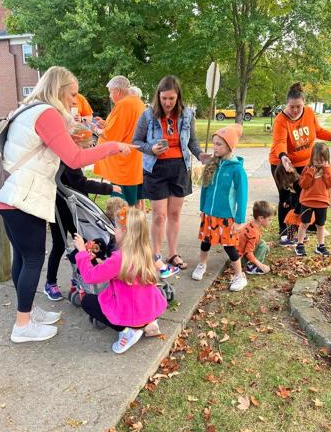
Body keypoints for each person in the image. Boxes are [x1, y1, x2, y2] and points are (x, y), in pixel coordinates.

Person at [0, 66, 133, 343]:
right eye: (72, 94)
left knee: (22, 256)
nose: (74, 101)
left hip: (9, 194)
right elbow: (75, 159)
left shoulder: (29, 110)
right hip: (23, 197)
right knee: (32, 258)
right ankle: (23, 325)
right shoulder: (46, 113)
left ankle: (27, 312)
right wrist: (113, 146)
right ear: (58, 90)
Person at [133, 75, 211, 273]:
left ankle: (172, 253)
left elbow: (192, 141)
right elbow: (136, 142)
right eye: (164, 98)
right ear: (158, 96)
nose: (167, 103)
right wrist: (151, 149)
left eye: (171, 99)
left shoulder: (187, 115)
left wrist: (200, 154)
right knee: (159, 215)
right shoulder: (148, 115)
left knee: (175, 214)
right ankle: (156, 255)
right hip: (156, 169)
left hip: (179, 168)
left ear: (178, 98)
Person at [73, 207, 167, 354]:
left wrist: (82, 253)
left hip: (130, 314)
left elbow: (90, 276)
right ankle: (148, 323)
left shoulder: (119, 258)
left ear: (124, 231)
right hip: (150, 308)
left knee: (87, 302)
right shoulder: (146, 250)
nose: (114, 231)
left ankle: (128, 331)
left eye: (116, 227)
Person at [269, 82, 331, 245]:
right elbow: (280, 142)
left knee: (305, 197)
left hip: (304, 163)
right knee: (288, 198)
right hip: (283, 164)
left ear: (303, 103)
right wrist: (284, 157)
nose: (295, 110)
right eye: (292, 107)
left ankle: (309, 226)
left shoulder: (309, 113)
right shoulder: (280, 120)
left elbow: (318, 131)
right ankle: (286, 232)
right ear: (287, 104)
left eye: (298, 106)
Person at [44, 138, 122, 300]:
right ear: (76, 142)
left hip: (72, 209)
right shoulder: (68, 160)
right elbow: (81, 184)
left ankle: (78, 278)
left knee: (83, 244)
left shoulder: (66, 158)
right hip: (60, 209)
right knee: (60, 245)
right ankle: (51, 282)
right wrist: (109, 188)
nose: (87, 150)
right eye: (86, 147)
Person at [191, 125, 248, 292]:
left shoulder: (237, 170)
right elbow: (205, 188)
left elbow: (242, 196)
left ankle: (239, 276)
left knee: (229, 247)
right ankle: (202, 265)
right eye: (214, 143)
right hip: (209, 214)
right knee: (205, 242)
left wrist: (239, 219)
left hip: (226, 216)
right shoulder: (213, 164)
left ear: (230, 146)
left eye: (219, 145)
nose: (215, 148)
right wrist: (203, 208)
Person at [93, 76, 144, 206]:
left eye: (110, 92)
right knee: (134, 205)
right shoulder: (138, 102)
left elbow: (112, 135)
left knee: (121, 207)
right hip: (134, 160)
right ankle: (134, 226)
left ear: (118, 91)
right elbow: (125, 127)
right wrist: (105, 124)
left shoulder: (123, 104)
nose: (110, 95)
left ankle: (123, 227)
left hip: (123, 164)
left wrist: (96, 130)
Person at [295, 142, 331, 257]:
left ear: (326, 159)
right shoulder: (307, 168)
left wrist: (327, 170)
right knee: (304, 224)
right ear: (312, 157)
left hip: (322, 202)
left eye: (321, 160)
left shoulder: (329, 169)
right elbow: (303, 184)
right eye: (316, 159)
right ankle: (299, 245)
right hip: (308, 201)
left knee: (320, 225)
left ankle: (320, 246)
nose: (318, 162)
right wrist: (311, 172)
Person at [238, 201, 274, 275]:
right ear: (261, 218)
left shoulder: (252, 224)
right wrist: (261, 266)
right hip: (240, 258)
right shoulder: (254, 233)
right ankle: (251, 267)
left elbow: (249, 242)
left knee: (264, 245)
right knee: (263, 245)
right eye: (269, 220)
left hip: (239, 254)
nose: (271, 222)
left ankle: (252, 263)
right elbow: (248, 252)